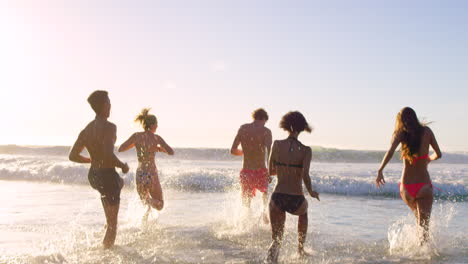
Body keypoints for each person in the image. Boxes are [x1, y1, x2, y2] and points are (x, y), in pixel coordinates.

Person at [69, 90, 129, 249]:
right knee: (112, 226)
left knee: (110, 214)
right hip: (107, 175)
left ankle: (105, 239)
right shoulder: (110, 127)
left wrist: (90, 159)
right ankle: (104, 255)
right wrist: (123, 165)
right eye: (108, 102)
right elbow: (109, 155)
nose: (110, 105)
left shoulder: (87, 129)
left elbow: (73, 155)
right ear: (103, 106)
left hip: (94, 175)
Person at [376, 107, 442, 243]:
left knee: (419, 221)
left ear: (401, 120)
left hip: (406, 188)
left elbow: (389, 152)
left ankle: (414, 255)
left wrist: (380, 170)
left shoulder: (400, 134)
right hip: (423, 186)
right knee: (424, 228)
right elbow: (438, 154)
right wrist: (429, 158)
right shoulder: (427, 132)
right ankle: (423, 257)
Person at [266, 111, 319, 263]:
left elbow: (271, 171)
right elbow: (305, 176)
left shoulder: (276, 144)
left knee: (276, 241)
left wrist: (284, 169)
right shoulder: (306, 150)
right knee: (304, 212)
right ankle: (300, 249)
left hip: (278, 197)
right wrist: (311, 192)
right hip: (296, 199)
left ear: (286, 125)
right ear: (301, 128)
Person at [119, 108, 174, 222]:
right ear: (153, 125)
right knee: (159, 205)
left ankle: (146, 225)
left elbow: (121, 148)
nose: (157, 126)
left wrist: (135, 144)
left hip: (140, 174)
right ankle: (149, 204)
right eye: (156, 124)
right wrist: (158, 148)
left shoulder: (136, 136)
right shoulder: (156, 138)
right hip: (151, 173)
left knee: (145, 202)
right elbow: (170, 151)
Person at [230, 108, 272, 222]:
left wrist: (245, 152)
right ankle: (264, 214)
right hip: (261, 170)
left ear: (254, 117)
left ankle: (245, 222)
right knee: (265, 193)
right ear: (264, 119)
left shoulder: (243, 128)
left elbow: (233, 150)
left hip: (246, 170)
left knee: (246, 201)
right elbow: (269, 154)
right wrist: (270, 172)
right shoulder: (266, 131)